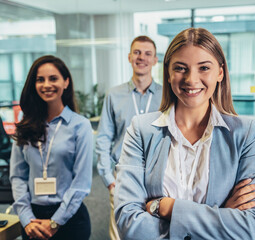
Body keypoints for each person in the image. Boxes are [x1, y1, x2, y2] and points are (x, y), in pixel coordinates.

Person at [114, 27, 255, 239]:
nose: (191, 79)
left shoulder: (245, 134)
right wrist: (222, 215)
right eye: (181, 68)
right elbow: (129, 225)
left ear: (220, 73)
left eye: (204, 67)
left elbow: (253, 227)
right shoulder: (140, 130)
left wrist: (167, 208)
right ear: (168, 74)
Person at [10, 55, 93, 240]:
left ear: (66, 82)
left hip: (70, 220)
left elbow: (81, 182)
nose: (47, 84)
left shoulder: (80, 126)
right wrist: (26, 219)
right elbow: (17, 176)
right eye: (40, 79)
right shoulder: (24, 126)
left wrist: (56, 221)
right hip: (33, 221)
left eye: (53, 78)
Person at [96, 35, 162, 240]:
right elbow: (104, 138)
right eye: (137, 52)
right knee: (119, 232)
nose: (141, 57)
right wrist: (109, 179)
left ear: (155, 60)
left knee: (156, 229)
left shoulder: (167, 95)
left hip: (157, 176)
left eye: (147, 53)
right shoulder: (113, 95)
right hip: (121, 176)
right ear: (129, 57)